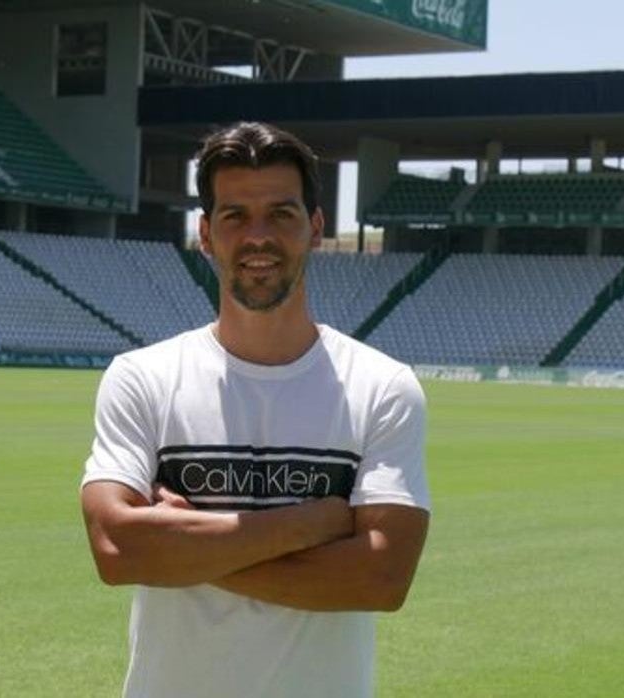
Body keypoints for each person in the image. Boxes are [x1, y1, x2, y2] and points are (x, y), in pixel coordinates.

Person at [79, 121, 430, 698]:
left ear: (315, 228)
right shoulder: (143, 378)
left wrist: (184, 548)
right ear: (206, 233)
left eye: (281, 214)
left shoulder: (382, 387)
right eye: (235, 216)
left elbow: (381, 579)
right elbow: (118, 551)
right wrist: (310, 525)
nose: (258, 236)